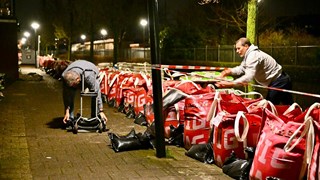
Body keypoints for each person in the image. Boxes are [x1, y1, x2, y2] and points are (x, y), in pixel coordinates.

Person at [216, 37, 294, 105]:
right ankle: (299, 119)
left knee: (268, 107)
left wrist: (231, 84)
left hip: (279, 82)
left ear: (246, 46)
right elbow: (242, 68)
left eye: (238, 48)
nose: (237, 51)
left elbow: (249, 77)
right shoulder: (249, 55)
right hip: (280, 80)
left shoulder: (253, 55)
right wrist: (228, 71)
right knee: (289, 107)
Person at [62, 60, 107, 124]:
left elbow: (97, 92)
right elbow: (66, 95)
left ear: (78, 79)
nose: (75, 88)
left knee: (94, 94)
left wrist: (101, 110)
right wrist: (67, 111)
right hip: (77, 69)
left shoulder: (89, 75)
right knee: (70, 93)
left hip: (91, 70)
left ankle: (95, 117)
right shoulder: (64, 76)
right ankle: (69, 118)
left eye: (74, 85)